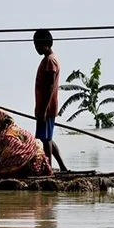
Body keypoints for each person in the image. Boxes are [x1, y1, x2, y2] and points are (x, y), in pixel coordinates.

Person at [0, 109, 53, 186]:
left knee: (2, 172)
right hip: (40, 167)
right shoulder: (18, 130)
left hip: (28, 168)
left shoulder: (6, 136)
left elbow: (2, 163)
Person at [33, 29, 68, 172]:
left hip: (46, 108)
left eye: (38, 44)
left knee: (45, 139)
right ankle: (62, 167)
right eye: (35, 45)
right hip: (45, 107)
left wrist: (44, 109)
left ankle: (48, 169)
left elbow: (50, 86)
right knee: (47, 137)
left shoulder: (50, 61)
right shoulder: (48, 60)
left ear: (47, 43)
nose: (36, 48)